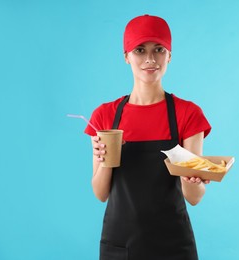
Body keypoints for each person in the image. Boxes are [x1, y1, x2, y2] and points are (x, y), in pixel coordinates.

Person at [85, 14, 211, 260]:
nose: (150, 59)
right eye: (140, 50)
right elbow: (100, 193)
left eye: (159, 49)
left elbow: (194, 198)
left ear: (170, 56)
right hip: (120, 247)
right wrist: (107, 159)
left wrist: (191, 176)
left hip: (174, 246)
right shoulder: (105, 116)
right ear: (126, 57)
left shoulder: (188, 114)